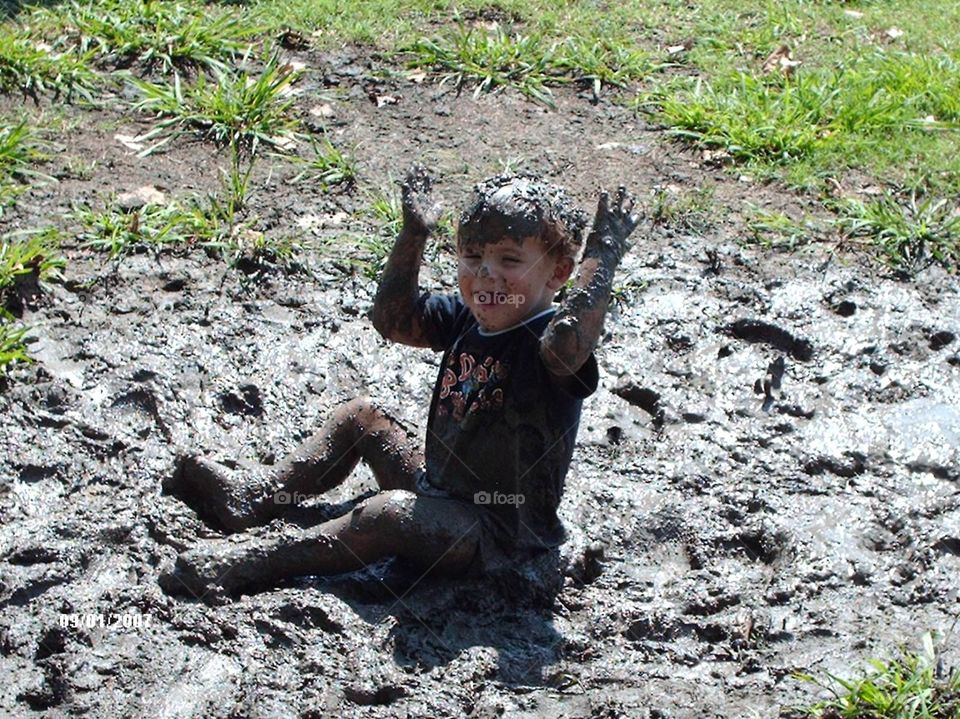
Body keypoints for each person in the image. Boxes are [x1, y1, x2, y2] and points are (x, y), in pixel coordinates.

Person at [159, 166, 639, 601]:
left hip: (493, 535)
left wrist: (603, 255)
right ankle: (256, 496)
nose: (485, 274)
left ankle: (258, 560)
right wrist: (413, 235)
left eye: (510, 260)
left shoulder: (546, 343)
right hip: (439, 489)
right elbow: (393, 319)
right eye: (472, 256)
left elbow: (571, 341)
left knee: (387, 515)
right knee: (361, 418)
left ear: (557, 272)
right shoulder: (467, 320)